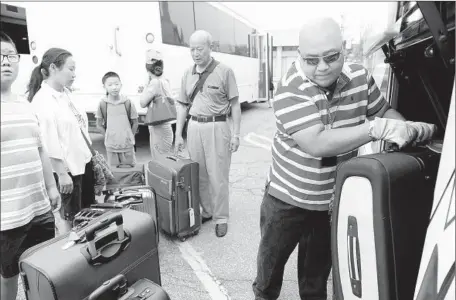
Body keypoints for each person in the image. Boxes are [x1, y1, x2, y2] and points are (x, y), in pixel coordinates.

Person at [252, 17, 437, 300]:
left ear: (344, 50)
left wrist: (403, 129)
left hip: (329, 202)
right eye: (311, 60)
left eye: (331, 57)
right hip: (285, 200)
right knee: (269, 272)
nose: (322, 67)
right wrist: (374, 130)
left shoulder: (360, 78)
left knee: (315, 280)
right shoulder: (290, 87)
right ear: (300, 56)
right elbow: (316, 142)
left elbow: (383, 112)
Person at [0, 31, 61, 300]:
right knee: (8, 277)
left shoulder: (24, 103)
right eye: (0, 56)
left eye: (10, 56)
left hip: (39, 208)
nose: (5, 62)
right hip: (7, 215)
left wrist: (51, 187)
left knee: (41, 270)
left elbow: (40, 149)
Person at [174, 30, 241, 238]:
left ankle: (221, 217)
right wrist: (178, 135)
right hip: (194, 127)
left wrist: (236, 134)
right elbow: (183, 106)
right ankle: (208, 210)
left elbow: (235, 104)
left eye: (199, 49)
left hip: (217, 126)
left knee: (218, 175)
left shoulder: (224, 71)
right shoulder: (187, 73)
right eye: (192, 49)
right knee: (199, 174)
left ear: (210, 47)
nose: (195, 53)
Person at [28, 47, 93, 233]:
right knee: (69, 221)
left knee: (84, 217)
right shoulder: (43, 100)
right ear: (54, 68)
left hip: (81, 165)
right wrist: (61, 173)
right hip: (66, 172)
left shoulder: (66, 94)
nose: (74, 74)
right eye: (70, 69)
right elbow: (48, 142)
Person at [96, 71, 139, 168]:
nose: (114, 87)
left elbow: (135, 123)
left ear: (121, 85)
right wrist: (107, 136)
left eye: (116, 84)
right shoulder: (103, 104)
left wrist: (130, 136)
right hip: (111, 147)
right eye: (110, 85)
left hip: (127, 146)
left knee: (130, 172)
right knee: (114, 173)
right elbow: (98, 125)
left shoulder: (128, 102)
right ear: (104, 87)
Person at [140, 49, 176, 159]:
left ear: (147, 68)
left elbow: (142, 103)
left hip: (158, 129)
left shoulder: (154, 83)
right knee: (164, 160)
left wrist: (146, 87)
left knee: (159, 162)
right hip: (165, 127)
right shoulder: (165, 81)